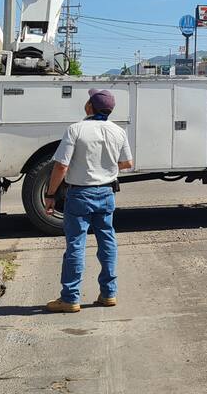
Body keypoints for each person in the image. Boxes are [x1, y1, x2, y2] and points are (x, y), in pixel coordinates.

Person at [45, 89, 133, 313]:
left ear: (89, 107)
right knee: (107, 241)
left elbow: (61, 166)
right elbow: (127, 163)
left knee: (76, 244)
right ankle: (108, 294)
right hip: (106, 193)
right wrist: (107, 167)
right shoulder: (118, 131)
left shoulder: (76, 129)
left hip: (80, 195)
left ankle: (70, 299)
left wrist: (50, 194)